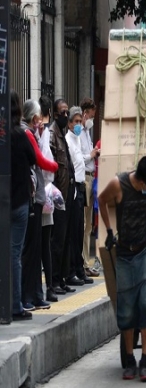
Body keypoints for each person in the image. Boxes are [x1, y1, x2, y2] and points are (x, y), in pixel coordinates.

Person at [98, 156, 146, 382]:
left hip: (144, 251)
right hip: (125, 254)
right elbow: (101, 199)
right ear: (141, 180)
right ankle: (129, 359)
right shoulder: (119, 184)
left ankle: (144, 359)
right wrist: (108, 230)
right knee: (126, 309)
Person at [21, 99, 58, 311]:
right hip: (32, 197)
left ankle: (35, 294)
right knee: (30, 251)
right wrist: (55, 166)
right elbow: (41, 160)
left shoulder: (33, 134)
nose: (39, 121)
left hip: (37, 198)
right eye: (37, 117)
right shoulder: (27, 134)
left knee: (36, 250)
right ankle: (28, 295)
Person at [10, 90, 36, 321]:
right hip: (18, 202)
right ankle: (15, 305)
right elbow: (34, 159)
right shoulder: (20, 134)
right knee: (15, 254)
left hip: (3, 202)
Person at [49, 99, 78, 294]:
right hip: (58, 195)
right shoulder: (52, 135)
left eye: (67, 112)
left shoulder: (63, 135)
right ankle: (54, 280)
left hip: (67, 194)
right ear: (55, 113)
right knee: (57, 242)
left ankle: (62, 277)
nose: (66, 116)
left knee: (67, 239)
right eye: (63, 112)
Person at [66, 106, 94, 285]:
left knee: (79, 230)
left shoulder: (77, 138)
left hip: (81, 187)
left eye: (79, 121)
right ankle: (71, 271)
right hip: (74, 188)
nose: (77, 125)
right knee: (74, 231)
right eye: (75, 122)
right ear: (69, 123)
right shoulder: (68, 140)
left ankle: (79, 269)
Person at [38, 95, 58, 302]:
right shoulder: (41, 133)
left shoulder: (41, 133)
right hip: (41, 195)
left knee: (43, 244)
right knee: (44, 244)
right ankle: (47, 288)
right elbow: (49, 166)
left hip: (42, 196)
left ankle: (45, 288)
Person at [79, 98, 100, 277]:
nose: (92, 118)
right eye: (91, 115)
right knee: (85, 223)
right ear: (85, 113)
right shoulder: (79, 132)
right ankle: (84, 262)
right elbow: (78, 157)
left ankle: (86, 262)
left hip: (91, 178)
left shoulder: (87, 132)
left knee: (88, 226)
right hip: (84, 178)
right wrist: (91, 154)